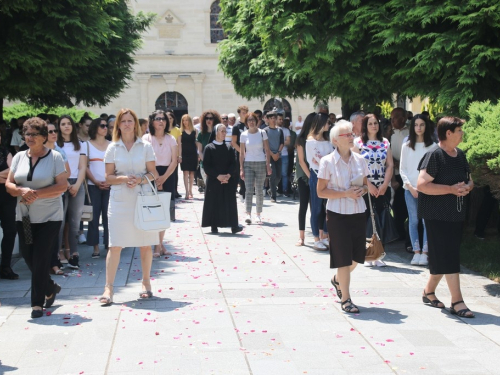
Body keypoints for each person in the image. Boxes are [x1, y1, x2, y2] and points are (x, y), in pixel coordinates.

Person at [6, 117, 67, 318]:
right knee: (28, 256)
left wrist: (35, 193)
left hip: (50, 216)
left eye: (34, 134)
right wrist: (21, 190)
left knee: (40, 258)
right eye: (27, 134)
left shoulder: (55, 157)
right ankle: (50, 287)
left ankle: (36, 304)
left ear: (43, 137)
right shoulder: (18, 157)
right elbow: (9, 185)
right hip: (24, 217)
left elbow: (62, 186)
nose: (29, 138)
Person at [98, 108, 159, 304]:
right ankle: (108, 288)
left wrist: (140, 180)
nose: (126, 124)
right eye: (123, 121)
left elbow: (153, 174)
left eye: (130, 121)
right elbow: (108, 177)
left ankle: (146, 283)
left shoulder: (145, 146)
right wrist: (124, 179)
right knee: (115, 244)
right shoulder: (112, 148)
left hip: (142, 198)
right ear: (118, 125)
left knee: (145, 243)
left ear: (135, 124)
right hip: (119, 200)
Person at [417, 117, 475, 318]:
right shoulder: (434, 155)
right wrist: (450, 189)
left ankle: (428, 292)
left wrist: (468, 187)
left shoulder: (460, 155)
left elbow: (469, 180)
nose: (462, 134)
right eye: (459, 130)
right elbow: (422, 185)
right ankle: (457, 301)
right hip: (436, 214)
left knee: (444, 255)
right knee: (449, 256)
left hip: (456, 213)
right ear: (448, 133)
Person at [317, 120, 369, 314]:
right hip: (337, 214)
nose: (351, 137)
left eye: (351, 134)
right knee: (344, 259)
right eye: (347, 135)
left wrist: (361, 190)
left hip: (358, 212)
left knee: (357, 256)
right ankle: (346, 299)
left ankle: (338, 280)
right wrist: (345, 193)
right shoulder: (327, 161)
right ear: (335, 140)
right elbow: (321, 191)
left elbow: (366, 186)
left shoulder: (360, 160)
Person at [353, 114, 394, 267]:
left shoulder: (384, 142)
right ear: (365, 126)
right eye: (370, 123)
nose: (373, 126)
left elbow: (389, 165)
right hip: (365, 188)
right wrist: (368, 184)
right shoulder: (358, 143)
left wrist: (384, 184)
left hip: (382, 188)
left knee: (380, 220)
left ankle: (377, 254)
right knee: (365, 220)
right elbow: (356, 167)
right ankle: (365, 254)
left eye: (375, 123)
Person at [400, 114, 437, 266]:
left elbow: (434, 171)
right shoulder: (406, 146)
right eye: (416, 125)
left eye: (422, 125)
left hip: (427, 190)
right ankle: (416, 252)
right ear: (412, 127)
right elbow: (403, 169)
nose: (419, 128)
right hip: (410, 190)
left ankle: (425, 252)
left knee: (425, 221)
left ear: (426, 126)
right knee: (414, 220)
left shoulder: (433, 147)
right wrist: (411, 187)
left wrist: (424, 187)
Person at [143, 110, 178, 257]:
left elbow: (174, 161)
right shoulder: (146, 138)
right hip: (150, 174)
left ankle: (158, 245)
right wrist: (155, 177)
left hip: (168, 175)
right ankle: (158, 244)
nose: (161, 121)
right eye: (158, 119)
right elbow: (144, 159)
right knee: (152, 211)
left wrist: (163, 178)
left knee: (163, 212)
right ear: (152, 121)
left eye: (163, 119)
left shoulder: (171, 139)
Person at [57, 115, 87, 269]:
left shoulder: (81, 144)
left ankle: (74, 254)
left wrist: (76, 185)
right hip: (61, 184)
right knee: (60, 222)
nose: (66, 126)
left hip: (77, 184)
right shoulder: (55, 145)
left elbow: (83, 167)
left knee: (75, 222)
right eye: (63, 124)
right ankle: (58, 254)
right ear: (59, 127)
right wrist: (66, 183)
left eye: (69, 124)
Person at [201, 124, 242, 234]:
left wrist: (228, 175)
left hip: (228, 180)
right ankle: (214, 225)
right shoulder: (209, 148)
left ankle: (234, 226)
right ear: (216, 133)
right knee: (214, 202)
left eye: (225, 131)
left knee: (230, 202)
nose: (224, 133)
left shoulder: (229, 147)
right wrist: (217, 176)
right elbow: (207, 165)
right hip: (214, 180)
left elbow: (233, 163)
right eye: (222, 131)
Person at [45, 123, 71, 275]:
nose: (54, 133)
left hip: (56, 195)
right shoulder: (37, 151)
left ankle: (54, 263)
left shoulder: (59, 151)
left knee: (55, 229)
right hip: (39, 197)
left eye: (55, 131)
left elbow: (67, 172)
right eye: (50, 131)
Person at [306, 113, 333, 250]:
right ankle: (316, 237)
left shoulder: (328, 140)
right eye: (327, 122)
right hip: (317, 175)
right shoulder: (310, 141)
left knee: (328, 208)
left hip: (329, 176)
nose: (329, 125)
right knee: (316, 208)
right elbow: (318, 159)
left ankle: (326, 235)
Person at [239, 112, 272, 224]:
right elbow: (242, 153)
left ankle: (258, 214)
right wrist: (241, 168)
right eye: (249, 120)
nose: (251, 122)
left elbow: (267, 150)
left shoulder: (262, 133)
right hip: (248, 163)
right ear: (246, 122)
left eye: (253, 120)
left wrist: (268, 164)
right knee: (248, 189)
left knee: (259, 189)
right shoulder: (243, 134)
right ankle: (248, 213)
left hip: (261, 162)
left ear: (256, 121)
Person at [86, 118, 111, 258]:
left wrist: (110, 181)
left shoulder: (112, 145)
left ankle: (108, 245)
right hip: (93, 185)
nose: (105, 128)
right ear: (95, 128)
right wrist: (95, 181)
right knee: (93, 217)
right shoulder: (87, 145)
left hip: (109, 185)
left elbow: (115, 166)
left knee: (109, 217)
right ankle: (95, 246)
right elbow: (85, 166)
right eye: (102, 126)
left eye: (106, 126)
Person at [294, 113, 316, 246]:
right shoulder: (301, 139)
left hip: (316, 176)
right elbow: (301, 161)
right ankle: (301, 237)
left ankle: (317, 236)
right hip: (304, 176)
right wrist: (311, 177)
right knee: (303, 206)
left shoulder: (320, 139)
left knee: (316, 207)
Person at [0, 131, 18, 279]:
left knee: (10, 230)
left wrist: (6, 176)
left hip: (6, 195)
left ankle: (5, 266)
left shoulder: (6, 151)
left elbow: (14, 172)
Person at [390, 108, 410, 244]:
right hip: (394, 173)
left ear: (403, 118)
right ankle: (398, 232)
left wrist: (401, 163)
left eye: (395, 118)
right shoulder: (389, 132)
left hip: (406, 174)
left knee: (406, 205)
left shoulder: (409, 132)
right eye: (391, 118)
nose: (392, 120)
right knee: (396, 205)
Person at [264, 111, 284, 202]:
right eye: (271, 118)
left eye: (274, 118)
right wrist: (272, 154)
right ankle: (273, 196)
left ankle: (271, 189)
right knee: (273, 175)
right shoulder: (265, 131)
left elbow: (282, 143)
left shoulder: (280, 130)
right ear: (268, 120)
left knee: (279, 176)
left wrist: (278, 153)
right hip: (269, 155)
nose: (273, 120)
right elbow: (265, 144)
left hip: (278, 155)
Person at [231, 105, 249, 203]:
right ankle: (242, 192)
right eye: (243, 112)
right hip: (240, 153)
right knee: (241, 173)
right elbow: (234, 142)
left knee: (249, 174)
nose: (245, 113)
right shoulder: (236, 126)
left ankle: (247, 192)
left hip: (250, 152)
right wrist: (242, 152)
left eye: (246, 111)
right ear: (239, 113)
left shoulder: (249, 125)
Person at [197, 110, 220, 185]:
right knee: (209, 186)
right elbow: (200, 151)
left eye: (211, 118)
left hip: (217, 164)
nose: (208, 120)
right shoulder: (201, 134)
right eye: (207, 118)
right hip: (205, 165)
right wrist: (206, 161)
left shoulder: (219, 133)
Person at [178, 114, 198, 199]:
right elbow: (179, 144)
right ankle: (186, 192)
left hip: (193, 153)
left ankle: (190, 190)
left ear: (189, 121)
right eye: (183, 120)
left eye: (186, 120)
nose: (185, 122)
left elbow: (197, 143)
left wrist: (198, 154)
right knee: (185, 172)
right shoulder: (180, 131)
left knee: (192, 172)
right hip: (184, 153)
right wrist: (179, 156)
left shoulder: (195, 130)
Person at [165, 110, 182, 199]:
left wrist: (179, 155)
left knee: (175, 174)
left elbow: (179, 144)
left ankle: (175, 191)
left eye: (170, 118)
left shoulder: (177, 130)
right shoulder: (163, 129)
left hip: (174, 155)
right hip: (165, 155)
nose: (169, 120)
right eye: (167, 118)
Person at [277, 113, 291, 197]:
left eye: (282, 119)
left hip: (284, 154)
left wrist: (279, 143)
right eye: (279, 119)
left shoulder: (286, 130)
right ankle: (277, 190)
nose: (281, 121)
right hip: (275, 154)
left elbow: (288, 142)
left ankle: (284, 190)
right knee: (276, 174)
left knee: (284, 174)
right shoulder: (274, 130)